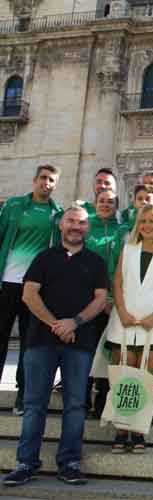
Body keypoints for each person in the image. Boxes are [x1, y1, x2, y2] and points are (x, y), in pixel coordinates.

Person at [3, 206, 107, 487]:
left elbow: (100, 299)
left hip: (80, 342)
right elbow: (28, 294)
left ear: (88, 228)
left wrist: (74, 322)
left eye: (82, 222)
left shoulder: (96, 262)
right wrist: (55, 325)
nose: (76, 226)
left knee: (75, 405)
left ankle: (70, 463)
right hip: (41, 342)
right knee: (34, 404)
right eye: (71, 221)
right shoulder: (43, 258)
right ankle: (26, 463)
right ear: (61, 225)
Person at [106, 204, 153, 452]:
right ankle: (121, 428)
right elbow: (117, 283)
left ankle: (138, 431)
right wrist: (123, 312)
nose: (148, 226)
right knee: (124, 374)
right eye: (144, 221)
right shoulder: (128, 249)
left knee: (146, 376)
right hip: (124, 320)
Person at [0, 165, 62, 415]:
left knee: (29, 342)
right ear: (35, 180)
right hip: (7, 282)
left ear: (55, 185)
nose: (46, 183)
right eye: (43, 178)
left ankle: (23, 394)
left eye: (51, 180)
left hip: (34, 288)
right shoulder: (14, 206)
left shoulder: (57, 214)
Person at [84, 188, 125, 418]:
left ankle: (102, 401)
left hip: (113, 301)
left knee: (107, 352)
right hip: (87, 300)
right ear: (95, 203)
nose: (106, 205)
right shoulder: (87, 227)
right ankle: (82, 398)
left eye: (110, 202)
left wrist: (112, 298)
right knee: (86, 350)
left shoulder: (122, 231)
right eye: (102, 201)